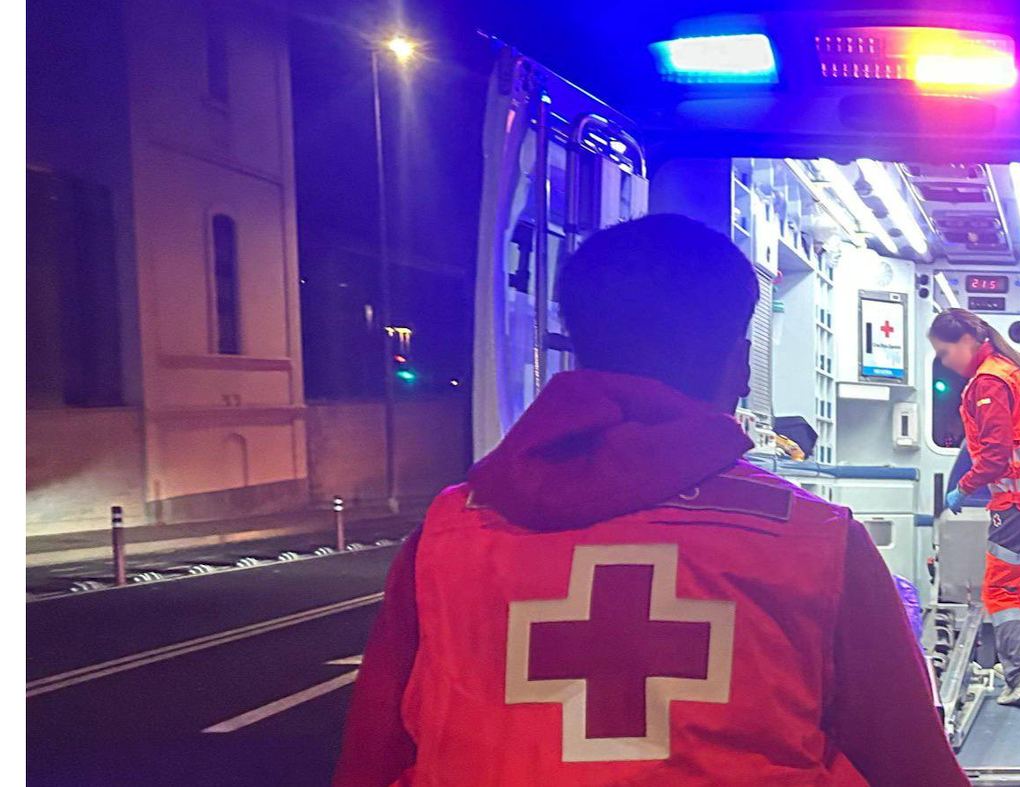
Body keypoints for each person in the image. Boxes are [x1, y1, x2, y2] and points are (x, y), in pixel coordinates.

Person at [335, 214, 970, 786]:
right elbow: (910, 765)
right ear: (740, 365)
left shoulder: (445, 536)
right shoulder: (816, 544)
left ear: (578, 347)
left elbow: (372, 758)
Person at [929, 309, 1020, 709]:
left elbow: (995, 457)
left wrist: (962, 488)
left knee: (1000, 589)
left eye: (944, 353)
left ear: (966, 341)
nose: (945, 362)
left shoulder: (989, 382)